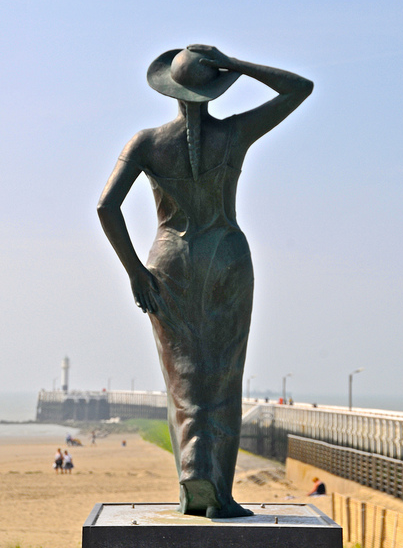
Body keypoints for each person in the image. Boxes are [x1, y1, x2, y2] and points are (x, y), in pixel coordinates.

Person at [98, 44, 313, 518]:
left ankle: (192, 474)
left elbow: (105, 206)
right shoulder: (235, 132)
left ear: (171, 92)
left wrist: (134, 270)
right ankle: (220, 492)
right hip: (227, 257)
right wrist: (235, 64)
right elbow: (301, 87)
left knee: (182, 379)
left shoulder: (146, 142)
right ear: (214, 88)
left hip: (169, 261)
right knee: (224, 376)